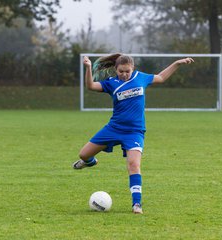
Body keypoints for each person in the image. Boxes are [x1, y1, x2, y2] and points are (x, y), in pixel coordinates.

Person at [73, 53, 194, 214]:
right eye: (121, 71)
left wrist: (177, 63)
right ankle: (90, 162)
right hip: (114, 128)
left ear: (133, 69)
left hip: (135, 132)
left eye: (127, 71)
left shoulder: (141, 77)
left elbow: (161, 77)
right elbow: (90, 86)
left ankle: (136, 204)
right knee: (83, 155)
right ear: (115, 69)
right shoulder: (111, 83)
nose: (124, 74)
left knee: (133, 165)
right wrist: (88, 68)